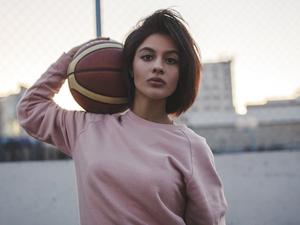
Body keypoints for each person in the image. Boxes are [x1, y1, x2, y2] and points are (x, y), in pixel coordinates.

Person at [17, 9, 227, 225]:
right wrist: (70, 58)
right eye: (147, 56)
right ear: (129, 67)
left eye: (171, 60)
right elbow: (30, 109)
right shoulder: (88, 128)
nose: (158, 66)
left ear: (181, 74)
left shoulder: (192, 148)